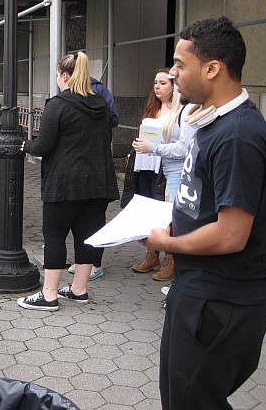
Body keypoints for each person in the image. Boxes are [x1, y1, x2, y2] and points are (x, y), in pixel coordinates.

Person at [145, 16, 266, 410]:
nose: (172, 73)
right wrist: (173, 223)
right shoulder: (211, 123)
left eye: (180, 64)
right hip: (198, 288)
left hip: (220, 300)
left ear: (212, 68)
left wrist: (167, 242)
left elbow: (231, 234)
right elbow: (201, 202)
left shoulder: (237, 134)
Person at [17, 52, 119, 311]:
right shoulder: (102, 105)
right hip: (98, 183)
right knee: (87, 237)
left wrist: (25, 145)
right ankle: (79, 289)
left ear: (64, 75)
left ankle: (49, 294)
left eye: (57, 76)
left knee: (54, 236)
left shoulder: (58, 105)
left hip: (64, 184)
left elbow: (43, 146)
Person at [131, 77, 198, 281]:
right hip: (167, 173)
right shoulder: (177, 111)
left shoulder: (185, 112)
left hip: (177, 174)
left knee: (175, 224)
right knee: (170, 221)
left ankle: (175, 266)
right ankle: (164, 262)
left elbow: (184, 148)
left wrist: (152, 147)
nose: (159, 87)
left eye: (168, 82)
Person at [67, 74, 119, 280]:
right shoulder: (69, 92)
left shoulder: (99, 90)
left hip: (97, 162)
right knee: (82, 215)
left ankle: (95, 262)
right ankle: (83, 260)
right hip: (82, 161)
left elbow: (113, 118)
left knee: (95, 215)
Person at [128, 68, 175, 277]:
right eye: (156, 82)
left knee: (165, 213)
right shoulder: (152, 108)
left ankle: (170, 259)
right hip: (145, 164)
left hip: (164, 168)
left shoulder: (178, 112)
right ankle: (152, 255)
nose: (157, 87)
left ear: (174, 87)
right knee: (148, 209)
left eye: (163, 83)